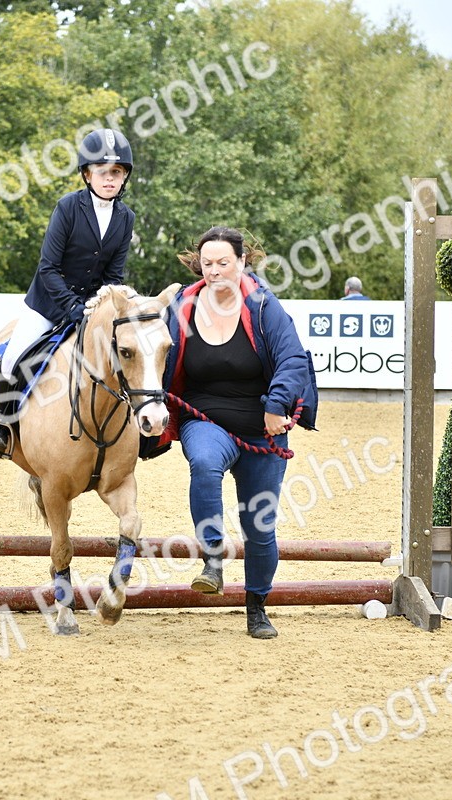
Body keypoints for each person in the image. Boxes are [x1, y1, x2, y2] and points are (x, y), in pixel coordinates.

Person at [161, 226, 319, 639]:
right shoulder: (182, 305)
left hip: (262, 429)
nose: (214, 272)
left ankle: (257, 607)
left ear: (242, 262)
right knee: (205, 463)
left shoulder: (264, 305)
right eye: (207, 264)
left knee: (260, 528)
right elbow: (153, 351)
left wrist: (275, 406)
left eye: (223, 263)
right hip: (205, 419)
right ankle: (213, 557)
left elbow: (293, 360)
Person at [0, 128, 136, 457]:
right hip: (48, 304)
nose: (110, 179)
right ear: (87, 174)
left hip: (91, 309)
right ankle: (1, 426)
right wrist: (73, 308)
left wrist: (101, 307)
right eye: (103, 172)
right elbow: (48, 267)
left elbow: (113, 274)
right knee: (13, 357)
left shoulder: (126, 218)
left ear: (124, 178)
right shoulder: (68, 207)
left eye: (117, 172)